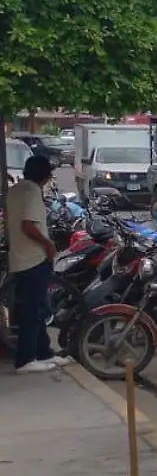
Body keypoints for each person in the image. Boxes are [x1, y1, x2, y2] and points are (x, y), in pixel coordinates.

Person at [5, 155, 73, 374]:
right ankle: (26, 360)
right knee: (32, 311)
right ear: (44, 174)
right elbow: (28, 226)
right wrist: (48, 243)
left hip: (20, 257)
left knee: (39, 308)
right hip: (33, 259)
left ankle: (44, 352)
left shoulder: (15, 190)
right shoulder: (32, 191)